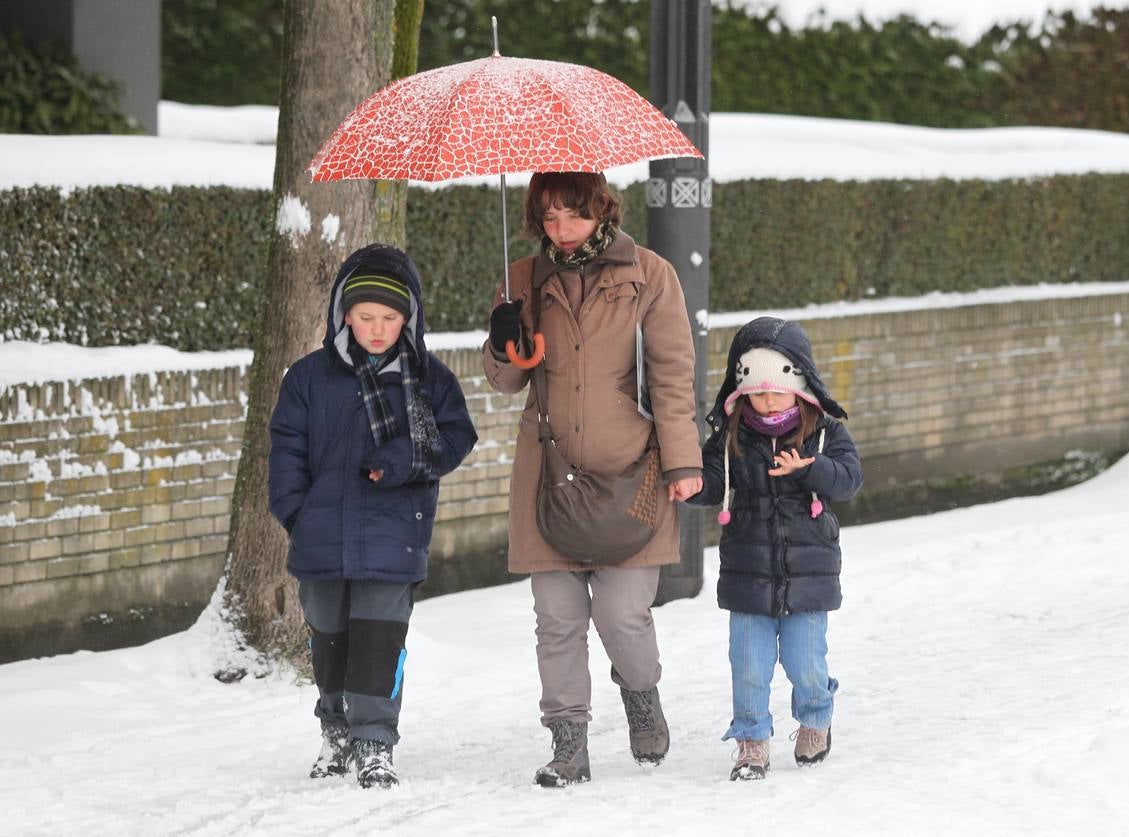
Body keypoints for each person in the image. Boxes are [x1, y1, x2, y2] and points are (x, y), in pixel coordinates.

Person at [482, 172, 703, 788]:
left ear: (600, 209)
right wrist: (503, 345)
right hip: (549, 475)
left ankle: (641, 696)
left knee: (622, 615)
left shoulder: (650, 275)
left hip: (634, 471)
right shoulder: (523, 279)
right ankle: (568, 743)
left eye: (571, 217)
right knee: (556, 616)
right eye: (548, 219)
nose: (560, 230)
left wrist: (684, 465)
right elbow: (504, 381)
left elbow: (672, 376)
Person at [269, 243, 478, 789]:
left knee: (378, 643)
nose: (378, 329)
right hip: (322, 537)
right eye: (365, 318)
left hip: (393, 534)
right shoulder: (309, 378)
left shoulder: (428, 380)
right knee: (330, 638)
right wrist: (295, 513)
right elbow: (286, 448)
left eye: (390, 318)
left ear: (408, 318)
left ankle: (374, 743)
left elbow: (458, 436)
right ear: (344, 315)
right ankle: (335, 732)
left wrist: (405, 458)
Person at [685, 316, 863, 780]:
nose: (766, 402)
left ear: (800, 388)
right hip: (748, 570)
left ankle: (816, 717)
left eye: (776, 391)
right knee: (748, 665)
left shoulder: (824, 434)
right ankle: (751, 741)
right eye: (756, 393)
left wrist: (810, 468)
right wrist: (693, 485)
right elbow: (713, 480)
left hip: (809, 575)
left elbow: (848, 480)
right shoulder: (731, 439)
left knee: (806, 662)